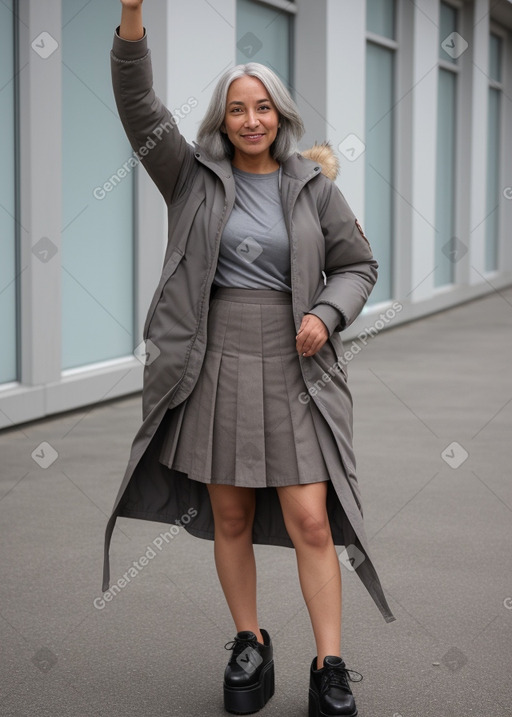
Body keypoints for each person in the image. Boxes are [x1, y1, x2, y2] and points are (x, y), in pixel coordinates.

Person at [103, 1, 395, 715]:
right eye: (238, 109)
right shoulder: (189, 176)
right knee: (228, 515)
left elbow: (358, 265)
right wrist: (133, 18)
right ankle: (248, 642)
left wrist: (326, 316)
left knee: (312, 518)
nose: (252, 119)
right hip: (213, 358)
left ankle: (329, 663)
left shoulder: (313, 187)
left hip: (297, 364)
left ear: (281, 115)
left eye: (263, 107)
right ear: (222, 119)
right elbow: (139, 106)